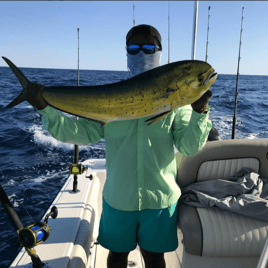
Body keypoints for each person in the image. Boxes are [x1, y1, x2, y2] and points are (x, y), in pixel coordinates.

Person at [26, 24, 213, 268]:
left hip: (160, 201)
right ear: (126, 52)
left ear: (159, 52)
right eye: (134, 48)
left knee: (155, 258)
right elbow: (80, 132)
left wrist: (200, 112)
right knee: (116, 257)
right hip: (118, 200)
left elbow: (189, 147)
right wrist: (44, 107)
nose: (141, 53)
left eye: (148, 47)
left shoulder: (178, 101)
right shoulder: (111, 98)